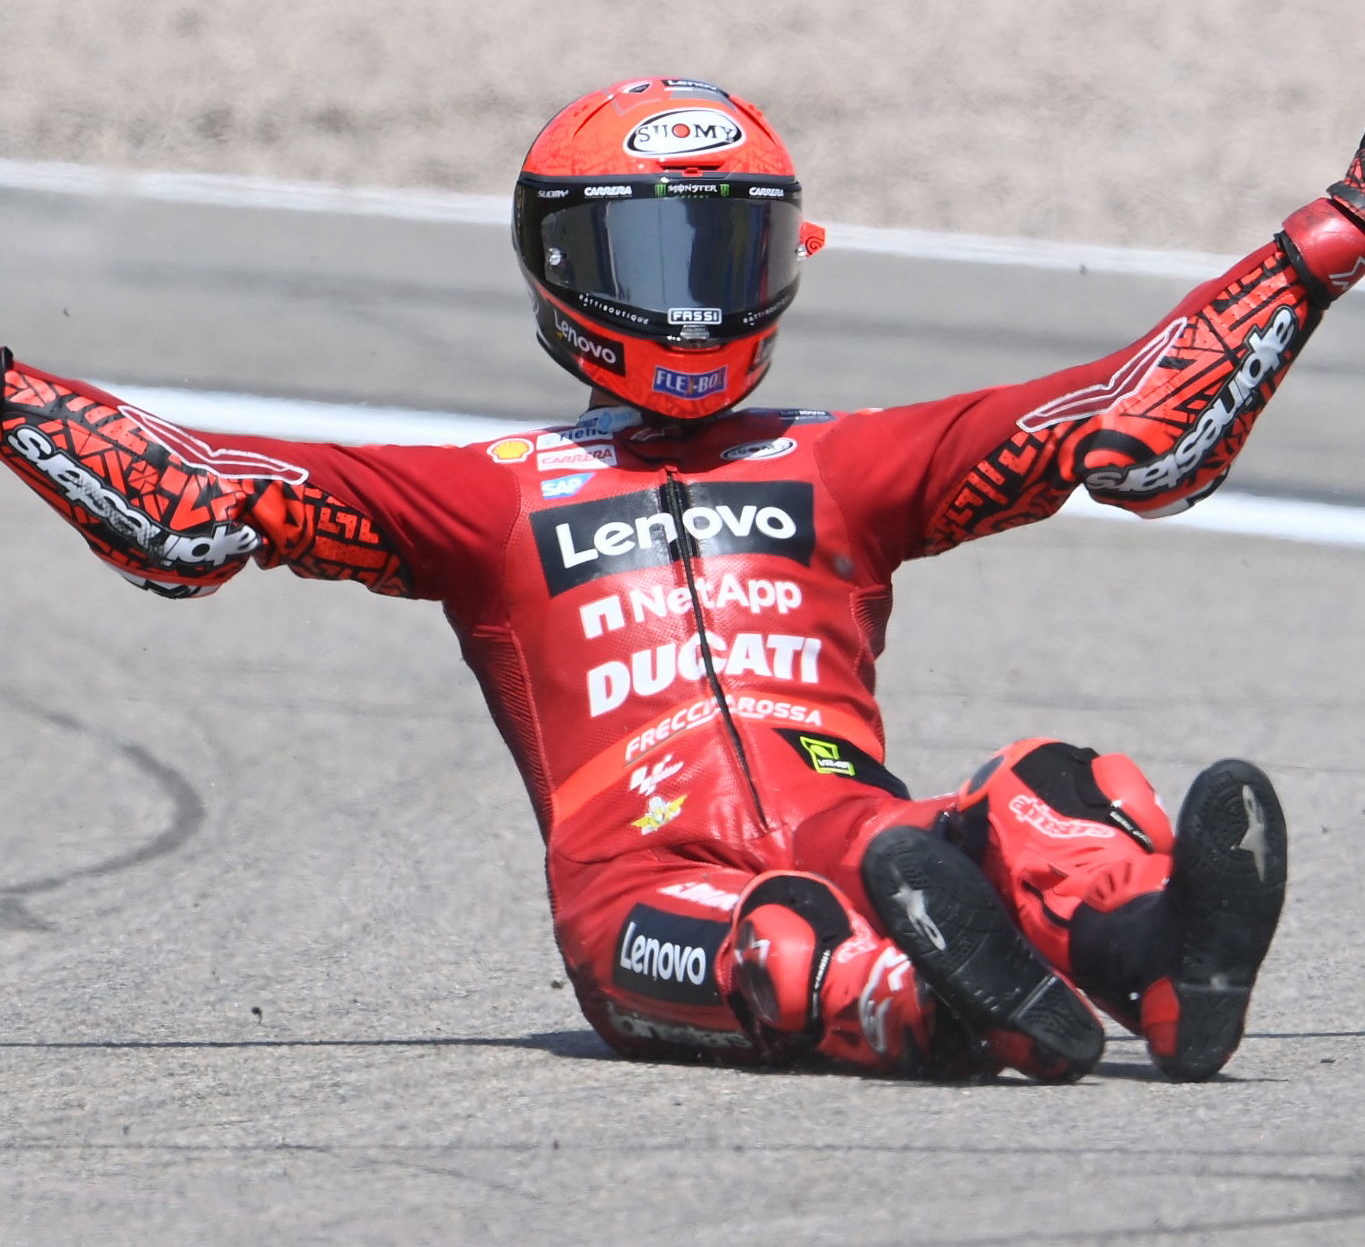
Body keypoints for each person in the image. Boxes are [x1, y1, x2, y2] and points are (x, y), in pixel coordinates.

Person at [11, 75, 1361, 1083]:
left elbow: (1124, 422)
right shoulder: (487, 492)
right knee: (786, 944)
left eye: (729, 257)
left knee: (1058, 797)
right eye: (652, 260)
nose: (694, 304)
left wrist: (1331, 233)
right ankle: (938, 999)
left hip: (856, 834)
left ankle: (1152, 962)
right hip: (649, 893)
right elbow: (187, 502)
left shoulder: (847, 463)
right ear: (558, 266)